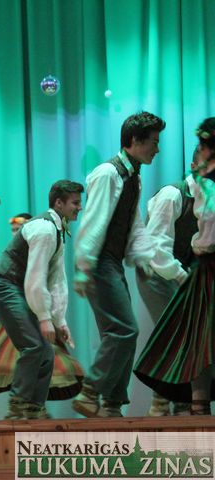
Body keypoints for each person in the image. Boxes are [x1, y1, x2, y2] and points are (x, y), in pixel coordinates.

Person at [72, 112, 164, 417]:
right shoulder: (108, 173)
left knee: (120, 332)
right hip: (100, 261)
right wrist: (84, 266)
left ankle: (111, 404)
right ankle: (91, 391)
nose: (157, 149)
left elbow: (133, 222)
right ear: (135, 140)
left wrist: (143, 257)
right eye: (153, 142)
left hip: (111, 261)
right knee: (124, 330)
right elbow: (93, 221)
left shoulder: (133, 176)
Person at [135, 118, 215, 415]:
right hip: (158, 273)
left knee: (194, 336)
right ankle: (163, 400)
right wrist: (184, 278)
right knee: (178, 335)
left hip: (186, 273)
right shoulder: (173, 195)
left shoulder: (209, 195)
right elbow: (156, 249)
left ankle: (183, 400)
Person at [0, 180, 84, 419]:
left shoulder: (57, 229)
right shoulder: (44, 229)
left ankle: (34, 408)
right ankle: (17, 406)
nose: (79, 207)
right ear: (59, 203)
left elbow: (56, 279)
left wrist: (59, 320)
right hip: (6, 286)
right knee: (33, 346)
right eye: (75, 203)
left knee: (47, 352)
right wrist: (44, 317)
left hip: (20, 289)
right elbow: (36, 276)